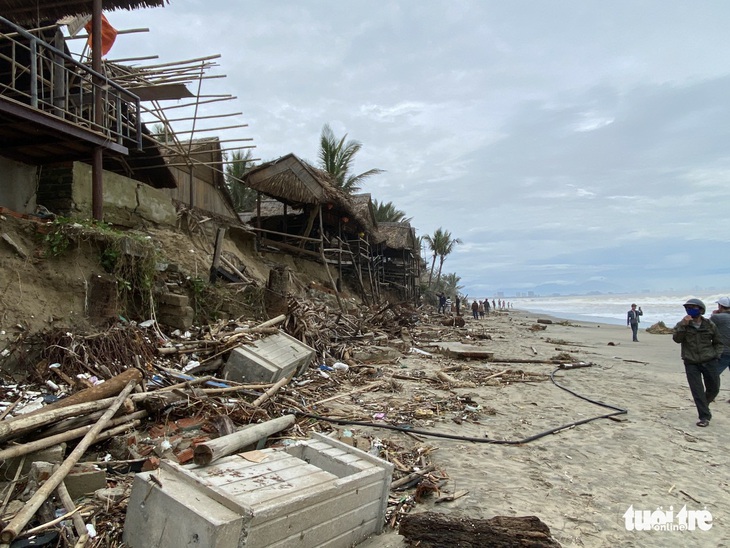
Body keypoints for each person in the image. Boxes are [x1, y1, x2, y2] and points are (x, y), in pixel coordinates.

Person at [672, 298, 723, 427]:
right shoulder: (682, 324)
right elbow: (677, 339)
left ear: (700, 310)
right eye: (688, 308)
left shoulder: (709, 325)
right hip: (691, 362)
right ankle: (704, 416)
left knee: (714, 388)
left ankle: (703, 405)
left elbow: (718, 342)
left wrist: (716, 355)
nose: (690, 310)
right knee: (697, 390)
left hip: (709, 361)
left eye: (693, 307)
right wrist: (683, 325)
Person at [710, 297, 730, 377]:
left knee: (713, 376)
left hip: (723, 351)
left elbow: (706, 327)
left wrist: (713, 315)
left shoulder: (717, 317)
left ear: (720, 306)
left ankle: (713, 390)